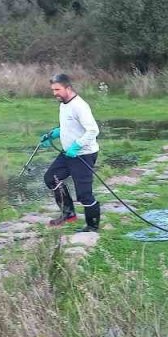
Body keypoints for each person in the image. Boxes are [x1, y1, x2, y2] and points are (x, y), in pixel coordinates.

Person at [40, 73, 101, 232]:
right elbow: (70, 126)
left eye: (57, 89)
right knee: (51, 179)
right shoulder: (63, 103)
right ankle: (68, 213)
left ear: (68, 87)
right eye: (53, 90)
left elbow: (93, 130)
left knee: (84, 194)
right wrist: (55, 133)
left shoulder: (80, 106)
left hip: (83, 154)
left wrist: (77, 145)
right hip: (68, 154)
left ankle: (92, 227)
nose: (54, 93)